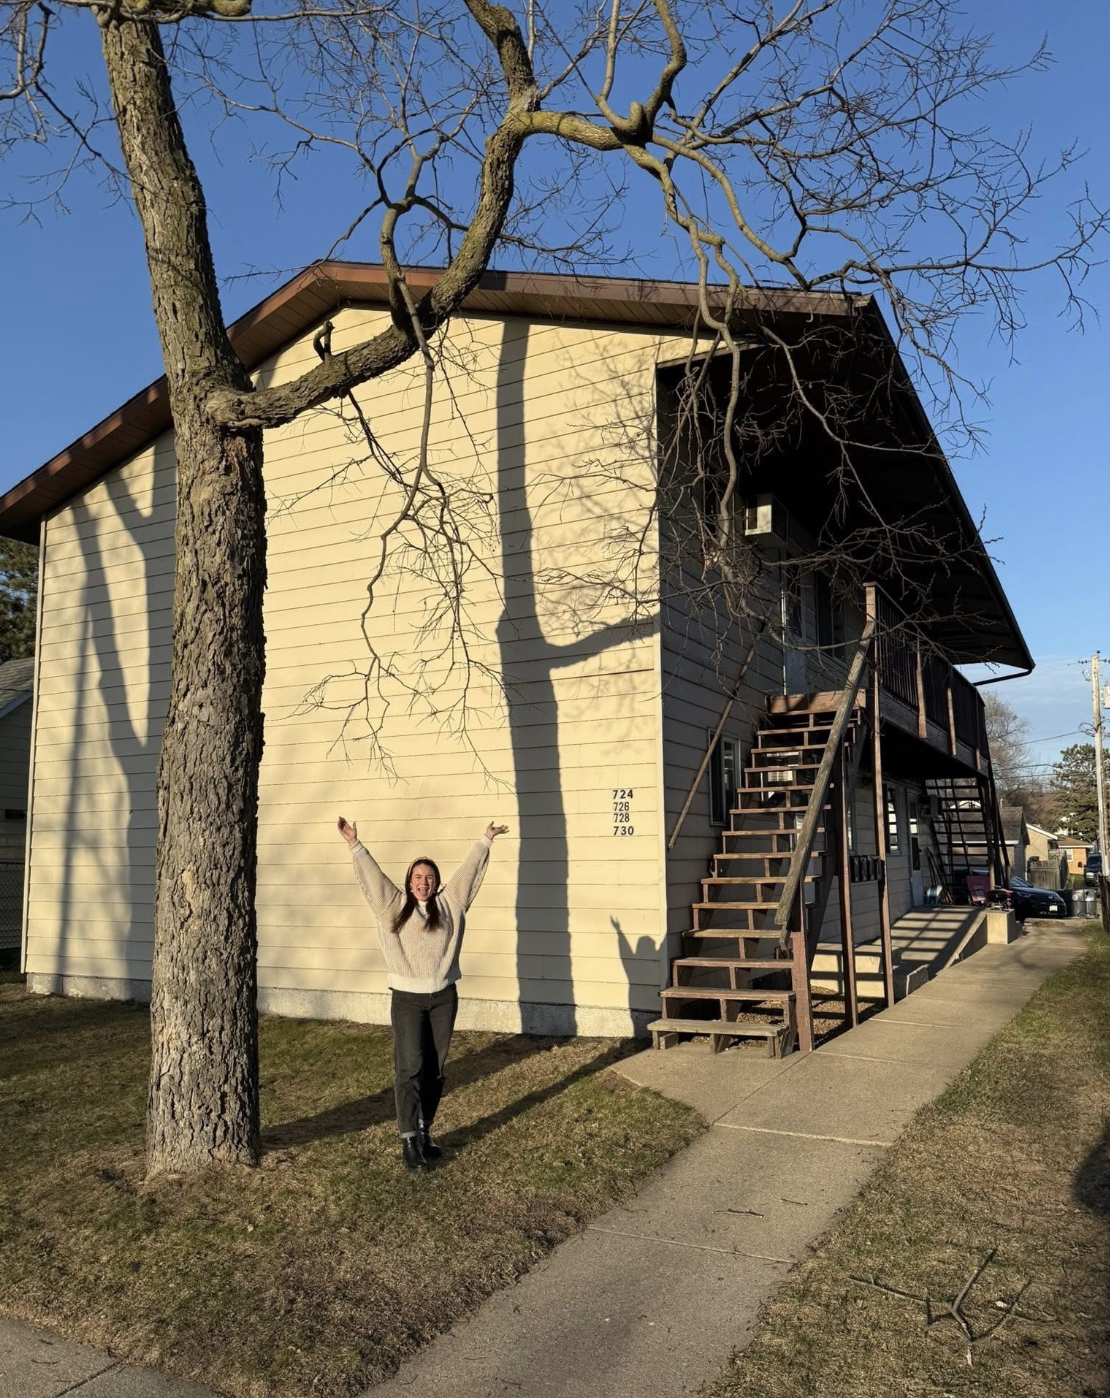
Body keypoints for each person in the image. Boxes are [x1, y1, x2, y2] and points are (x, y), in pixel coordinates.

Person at [337, 815, 509, 1172]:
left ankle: (424, 1129)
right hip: (407, 1000)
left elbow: (469, 872)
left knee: (435, 1071)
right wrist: (355, 843)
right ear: (409, 881)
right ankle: (408, 1141)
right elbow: (372, 877)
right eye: (417, 877)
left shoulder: (451, 905)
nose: (423, 883)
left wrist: (486, 840)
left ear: (436, 882)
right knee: (409, 1068)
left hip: (444, 997)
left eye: (429, 877)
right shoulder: (392, 906)